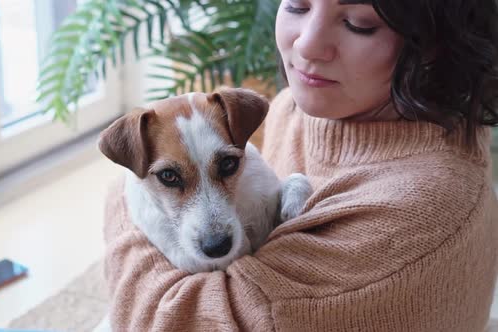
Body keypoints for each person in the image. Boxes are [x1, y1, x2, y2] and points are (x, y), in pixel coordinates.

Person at [102, 0, 498, 330]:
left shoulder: (420, 213)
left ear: (431, 44)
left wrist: (127, 195)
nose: (307, 45)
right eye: (296, 4)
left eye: (358, 24)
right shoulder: (300, 107)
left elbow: (171, 320)